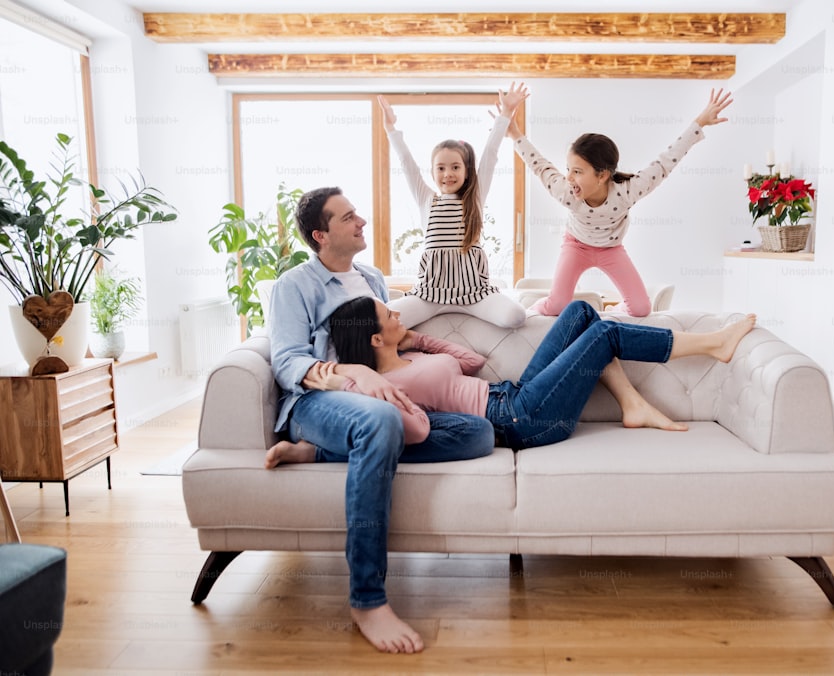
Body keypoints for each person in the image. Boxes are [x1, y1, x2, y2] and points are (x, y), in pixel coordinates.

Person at [266, 186, 496, 654]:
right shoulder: (295, 285)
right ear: (320, 234)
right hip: (319, 402)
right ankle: (367, 600)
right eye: (349, 217)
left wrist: (427, 347)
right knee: (379, 422)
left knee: (478, 432)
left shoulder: (371, 277)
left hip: (376, 397)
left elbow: (388, 340)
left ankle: (322, 453)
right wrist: (350, 373)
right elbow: (286, 361)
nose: (362, 222)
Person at [271, 297, 755, 456]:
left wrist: (418, 341)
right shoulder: (383, 387)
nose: (399, 316)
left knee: (581, 311)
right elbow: (370, 426)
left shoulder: (407, 357)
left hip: (513, 393)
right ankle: (714, 343)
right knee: (604, 333)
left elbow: (470, 362)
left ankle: (631, 404)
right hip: (522, 420)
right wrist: (308, 451)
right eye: (390, 317)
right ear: (375, 339)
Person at [506, 88, 734, 317]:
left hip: (611, 249)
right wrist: (515, 134)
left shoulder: (627, 191)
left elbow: (664, 164)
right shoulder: (567, 192)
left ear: (602, 175)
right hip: (576, 246)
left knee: (641, 308)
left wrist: (699, 123)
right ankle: (528, 314)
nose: (569, 178)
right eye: (568, 169)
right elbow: (540, 166)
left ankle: (607, 316)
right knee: (556, 305)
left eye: (577, 171)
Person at [378, 82, 529, 329]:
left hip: (474, 293)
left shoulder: (475, 196)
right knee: (381, 321)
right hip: (431, 293)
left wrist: (505, 114)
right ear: (433, 171)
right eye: (441, 168)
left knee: (516, 316)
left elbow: (490, 153)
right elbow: (406, 163)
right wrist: (390, 127)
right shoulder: (427, 198)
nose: (448, 173)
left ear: (467, 171)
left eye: (455, 167)